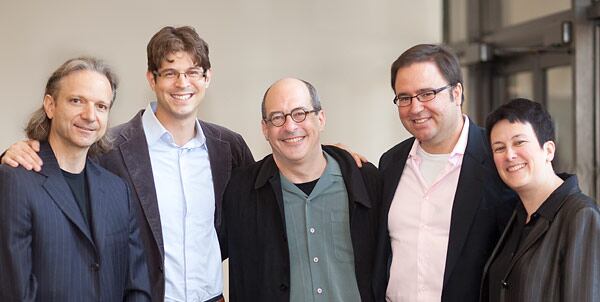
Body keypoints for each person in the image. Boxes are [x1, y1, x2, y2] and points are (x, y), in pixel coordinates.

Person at [1, 26, 254, 302]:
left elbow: (249, 219)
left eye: (193, 72)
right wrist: (9, 156)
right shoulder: (109, 146)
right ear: (151, 79)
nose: (183, 83)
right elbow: (55, 177)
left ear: (207, 78)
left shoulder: (228, 148)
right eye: (170, 73)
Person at [373, 44, 516, 302]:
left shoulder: (497, 161)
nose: (415, 108)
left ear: (456, 92)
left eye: (427, 93)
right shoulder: (390, 163)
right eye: (404, 98)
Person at [0, 57, 151, 301]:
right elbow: (13, 290)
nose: (90, 115)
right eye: (77, 101)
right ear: (50, 106)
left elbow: (137, 285)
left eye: (101, 106)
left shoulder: (117, 190)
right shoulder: (16, 181)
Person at [220, 78, 380, 301]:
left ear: (321, 118)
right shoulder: (239, 192)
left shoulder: (366, 182)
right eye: (277, 117)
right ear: (265, 128)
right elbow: (201, 252)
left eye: (300, 113)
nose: (290, 126)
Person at [480, 98, 600, 302]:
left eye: (519, 142)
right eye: (499, 148)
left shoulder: (580, 215)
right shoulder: (516, 216)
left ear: (549, 150)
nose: (509, 155)